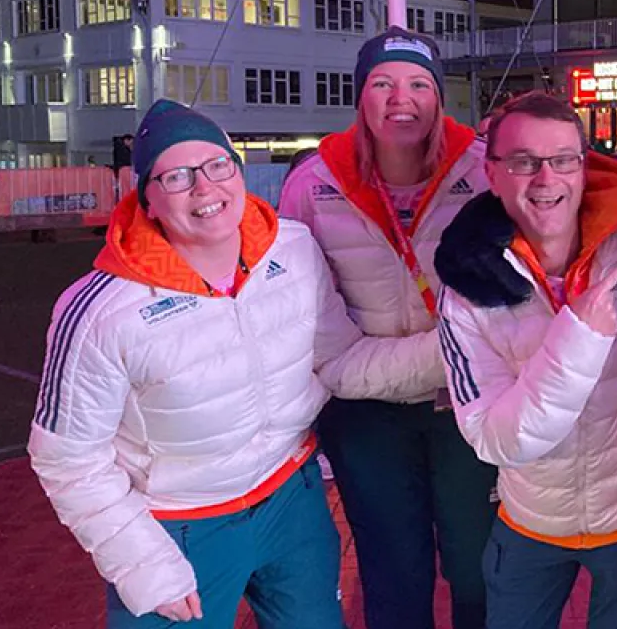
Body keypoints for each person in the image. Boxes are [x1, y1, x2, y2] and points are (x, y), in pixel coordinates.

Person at [26, 100, 403, 628]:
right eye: (177, 176)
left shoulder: (292, 250)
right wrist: (145, 565)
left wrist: (447, 356)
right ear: (149, 200)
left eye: (217, 166)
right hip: (176, 526)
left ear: (238, 172)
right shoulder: (100, 312)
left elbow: (337, 357)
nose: (205, 189)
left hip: (290, 499)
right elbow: (67, 458)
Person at [278, 26, 497, 629]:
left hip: (464, 408)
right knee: (392, 570)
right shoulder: (313, 182)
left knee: (478, 564)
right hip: (365, 412)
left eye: (419, 84)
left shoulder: (481, 170)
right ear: (360, 99)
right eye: (383, 83)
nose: (402, 97)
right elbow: (286, 298)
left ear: (439, 99)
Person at [433, 92, 617, 629]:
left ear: (584, 167)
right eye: (523, 162)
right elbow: (494, 439)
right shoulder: (467, 291)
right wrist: (577, 338)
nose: (545, 178)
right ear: (491, 172)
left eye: (561, 160)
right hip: (531, 523)